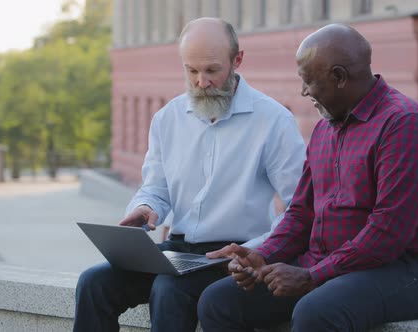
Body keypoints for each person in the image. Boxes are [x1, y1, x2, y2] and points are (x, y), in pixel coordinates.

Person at [198, 23, 418, 332]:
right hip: (327, 265)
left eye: (308, 81)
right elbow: (301, 213)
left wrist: (312, 276)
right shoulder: (325, 128)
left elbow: (388, 233)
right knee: (217, 300)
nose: (304, 91)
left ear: (339, 77)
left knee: (316, 311)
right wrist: (262, 255)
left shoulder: (405, 125)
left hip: (409, 272)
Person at [73, 17, 306, 332]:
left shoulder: (274, 120)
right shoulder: (167, 118)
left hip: (234, 257)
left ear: (237, 60)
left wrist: (257, 250)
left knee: (168, 290)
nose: (201, 82)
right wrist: (146, 208)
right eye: (191, 71)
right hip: (179, 253)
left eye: (211, 70)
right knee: (93, 283)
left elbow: (300, 207)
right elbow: (155, 188)